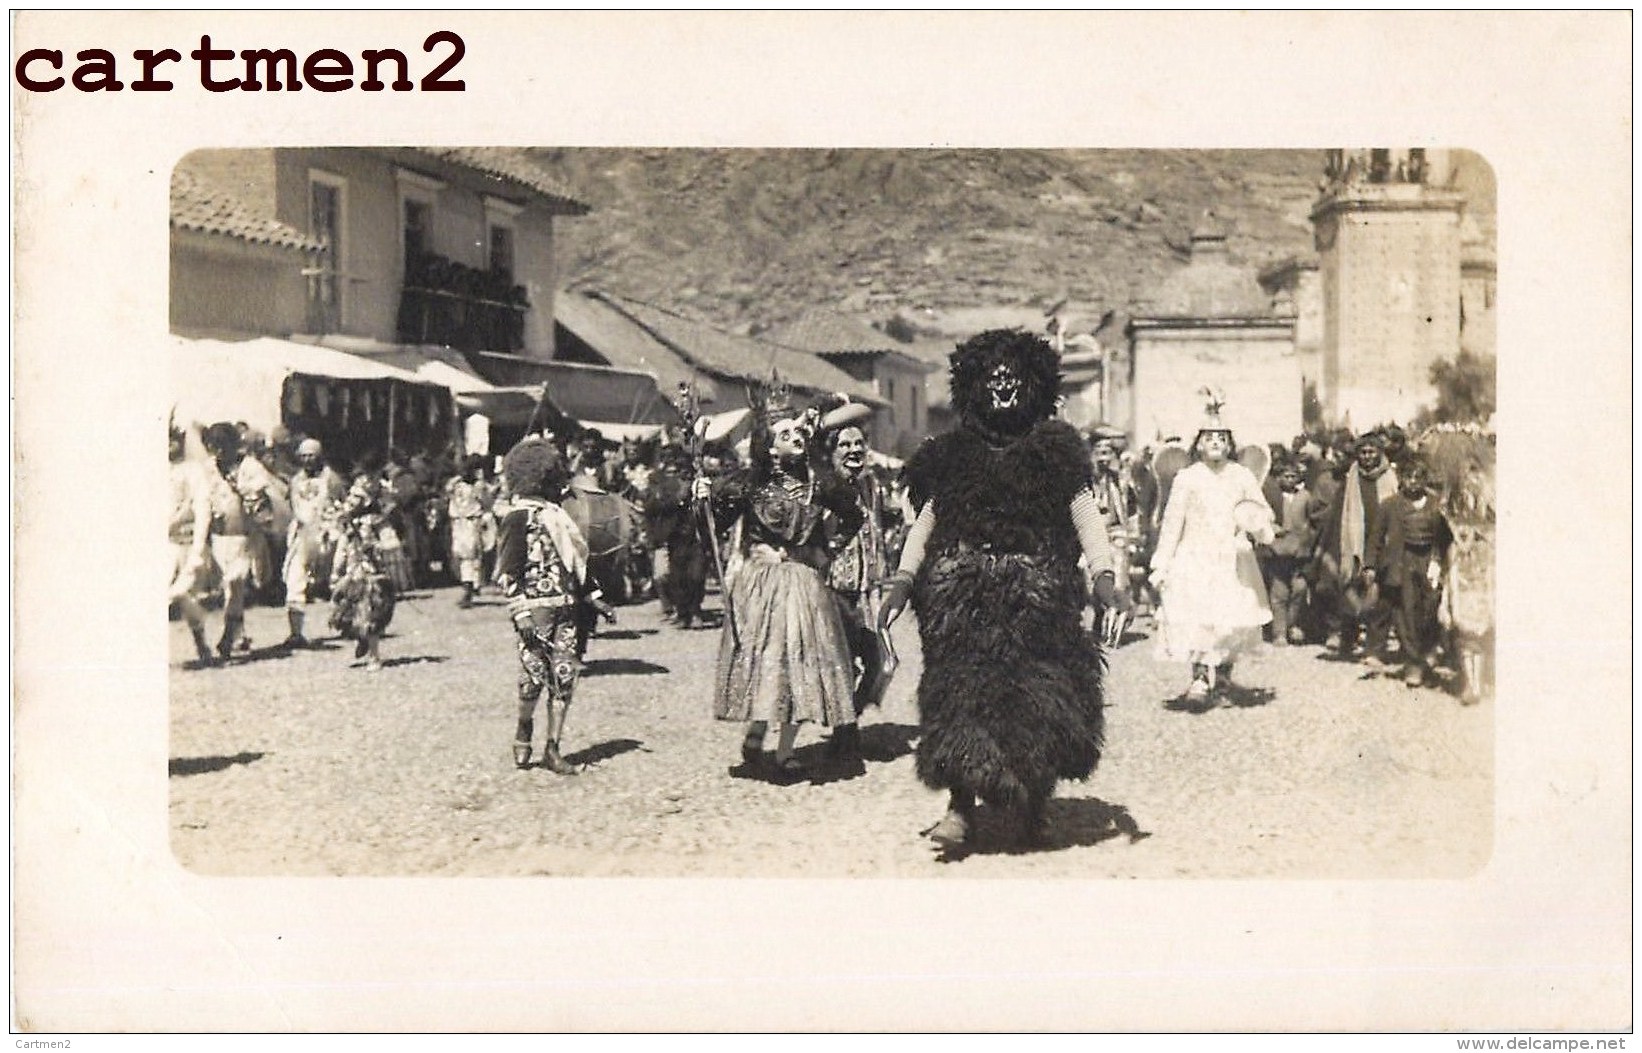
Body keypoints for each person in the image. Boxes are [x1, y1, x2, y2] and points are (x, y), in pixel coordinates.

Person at [879, 329, 1128, 851]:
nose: (1002, 389)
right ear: (974, 387)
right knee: (958, 699)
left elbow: (1086, 517)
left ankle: (1033, 807)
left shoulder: (1058, 453)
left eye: (1012, 379)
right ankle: (959, 808)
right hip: (960, 603)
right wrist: (903, 579)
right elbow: (926, 520)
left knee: (1037, 702)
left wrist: (1105, 578)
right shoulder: (950, 455)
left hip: (1038, 599)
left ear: (1034, 385)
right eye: (992, 380)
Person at [693, 394, 864, 784]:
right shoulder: (748, 487)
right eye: (784, 434)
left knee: (801, 665)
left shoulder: (819, 485)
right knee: (767, 660)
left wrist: (828, 550)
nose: (796, 437)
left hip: (805, 585)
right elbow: (710, 529)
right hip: (762, 585)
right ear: (769, 448)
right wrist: (701, 500)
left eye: (797, 431)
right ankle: (755, 733)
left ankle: (785, 751)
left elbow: (854, 514)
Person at [1148, 393, 1276, 704]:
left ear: (1230, 444)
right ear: (1199, 444)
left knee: (1230, 620)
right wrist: (1161, 563)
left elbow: (1260, 511)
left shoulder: (1242, 475)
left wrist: (1259, 527)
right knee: (1199, 619)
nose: (1216, 442)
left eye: (1221, 437)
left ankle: (1225, 678)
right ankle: (1200, 678)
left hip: (1233, 560)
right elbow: (1172, 523)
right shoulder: (1187, 478)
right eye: (1209, 437)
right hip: (1194, 560)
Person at [495, 437, 613, 774]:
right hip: (536, 611)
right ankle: (524, 726)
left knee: (564, 676)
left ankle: (553, 747)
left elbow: (577, 563)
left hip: (567, 608)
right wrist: (521, 612)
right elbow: (509, 571)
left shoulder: (559, 517)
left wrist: (594, 598)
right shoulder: (517, 517)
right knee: (532, 679)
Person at [819, 413, 891, 765]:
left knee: (880, 663)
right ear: (832, 452)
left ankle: (848, 723)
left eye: (858, 444)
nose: (853, 450)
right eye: (844, 445)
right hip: (836, 588)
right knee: (844, 664)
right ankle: (844, 734)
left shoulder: (872, 485)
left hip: (869, 589)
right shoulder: (825, 488)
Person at [1366, 457, 1454, 688]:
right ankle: (1413, 663)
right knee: (1406, 614)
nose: (1413, 482)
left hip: (1429, 563)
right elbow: (1375, 537)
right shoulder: (1389, 505)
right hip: (1401, 564)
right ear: (1401, 479)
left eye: (1418, 477)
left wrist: (1442, 563)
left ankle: (1430, 653)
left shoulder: (1437, 505)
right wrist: (1370, 565)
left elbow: (1447, 538)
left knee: (1429, 609)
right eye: (1408, 477)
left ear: (1424, 480)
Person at [1312, 431, 1399, 661]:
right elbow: (1344, 510)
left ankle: (1374, 649)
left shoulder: (1390, 476)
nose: (1367, 457)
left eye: (1372, 452)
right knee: (1350, 591)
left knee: (1379, 597)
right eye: (1363, 452)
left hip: (1381, 539)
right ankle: (1347, 642)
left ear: (1380, 453)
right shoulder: (1352, 476)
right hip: (1356, 540)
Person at [200, 422, 282, 659]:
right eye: (213, 447)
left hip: (243, 537)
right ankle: (239, 633)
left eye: (222, 446)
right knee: (229, 588)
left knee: (235, 582)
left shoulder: (249, 467)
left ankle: (228, 634)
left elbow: (261, 496)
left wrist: (241, 487)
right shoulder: (208, 469)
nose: (217, 453)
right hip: (218, 537)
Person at [327, 458, 398, 672]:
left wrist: (378, 545)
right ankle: (362, 638)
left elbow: (392, 541)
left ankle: (374, 655)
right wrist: (336, 569)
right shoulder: (350, 523)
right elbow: (341, 540)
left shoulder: (378, 518)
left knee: (372, 608)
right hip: (353, 567)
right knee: (349, 608)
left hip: (373, 568)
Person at [281, 438, 346, 649]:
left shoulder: (332, 479)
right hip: (302, 536)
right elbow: (293, 507)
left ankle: (347, 622)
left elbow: (341, 506)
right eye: (304, 455)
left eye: (312, 455)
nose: (308, 459)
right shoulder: (295, 481)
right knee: (295, 579)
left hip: (328, 534)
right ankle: (296, 632)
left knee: (337, 580)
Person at [169, 423, 217, 668]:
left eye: (173, 439)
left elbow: (202, 509)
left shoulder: (193, 471)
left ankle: (201, 641)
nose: (168, 445)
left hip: (188, 544)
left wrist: (198, 549)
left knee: (183, 594)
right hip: (165, 544)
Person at [1258, 454, 1316, 646]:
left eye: (1293, 476)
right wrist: (1273, 530)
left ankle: (1293, 625)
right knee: (1279, 592)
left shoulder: (1305, 496)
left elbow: (1312, 520)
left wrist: (1307, 538)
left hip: (1300, 552)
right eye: (1285, 476)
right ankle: (1279, 632)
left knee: (1300, 589)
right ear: (1278, 477)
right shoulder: (1271, 497)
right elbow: (1263, 519)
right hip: (1278, 551)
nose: (1289, 480)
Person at [446, 454, 492, 608]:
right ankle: (471, 585)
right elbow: (487, 502)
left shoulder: (459, 485)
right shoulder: (470, 486)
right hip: (464, 522)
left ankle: (470, 586)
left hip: (468, 521)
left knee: (469, 556)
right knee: (467, 555)